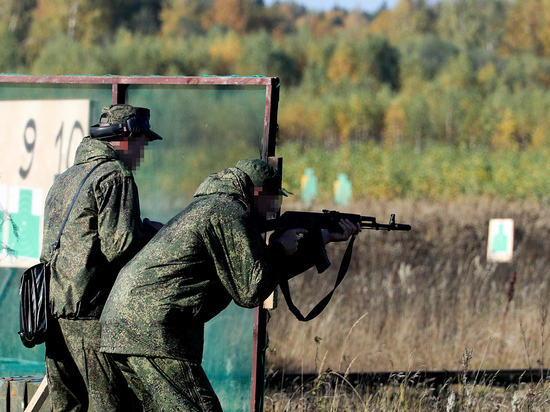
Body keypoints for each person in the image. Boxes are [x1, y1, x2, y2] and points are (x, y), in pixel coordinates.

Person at [100, 158, 361, 411]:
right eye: (274, 198)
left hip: (124, 326)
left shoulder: (213, 207)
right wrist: (280, 248)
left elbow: (257, 272)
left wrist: (321, 238)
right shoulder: (228, 212)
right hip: (153, 330)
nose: (275, 207)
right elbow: (251, 289)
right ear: (258, 192)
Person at [40, 104, 163, 411]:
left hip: (51, 310)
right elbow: (120, 246)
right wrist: (154, 234)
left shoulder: (67, 177)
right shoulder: (114, 175)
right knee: (108, 404)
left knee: (66, 405)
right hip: (89, 315)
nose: (142, 153)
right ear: (126, 138)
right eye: (142, 143)